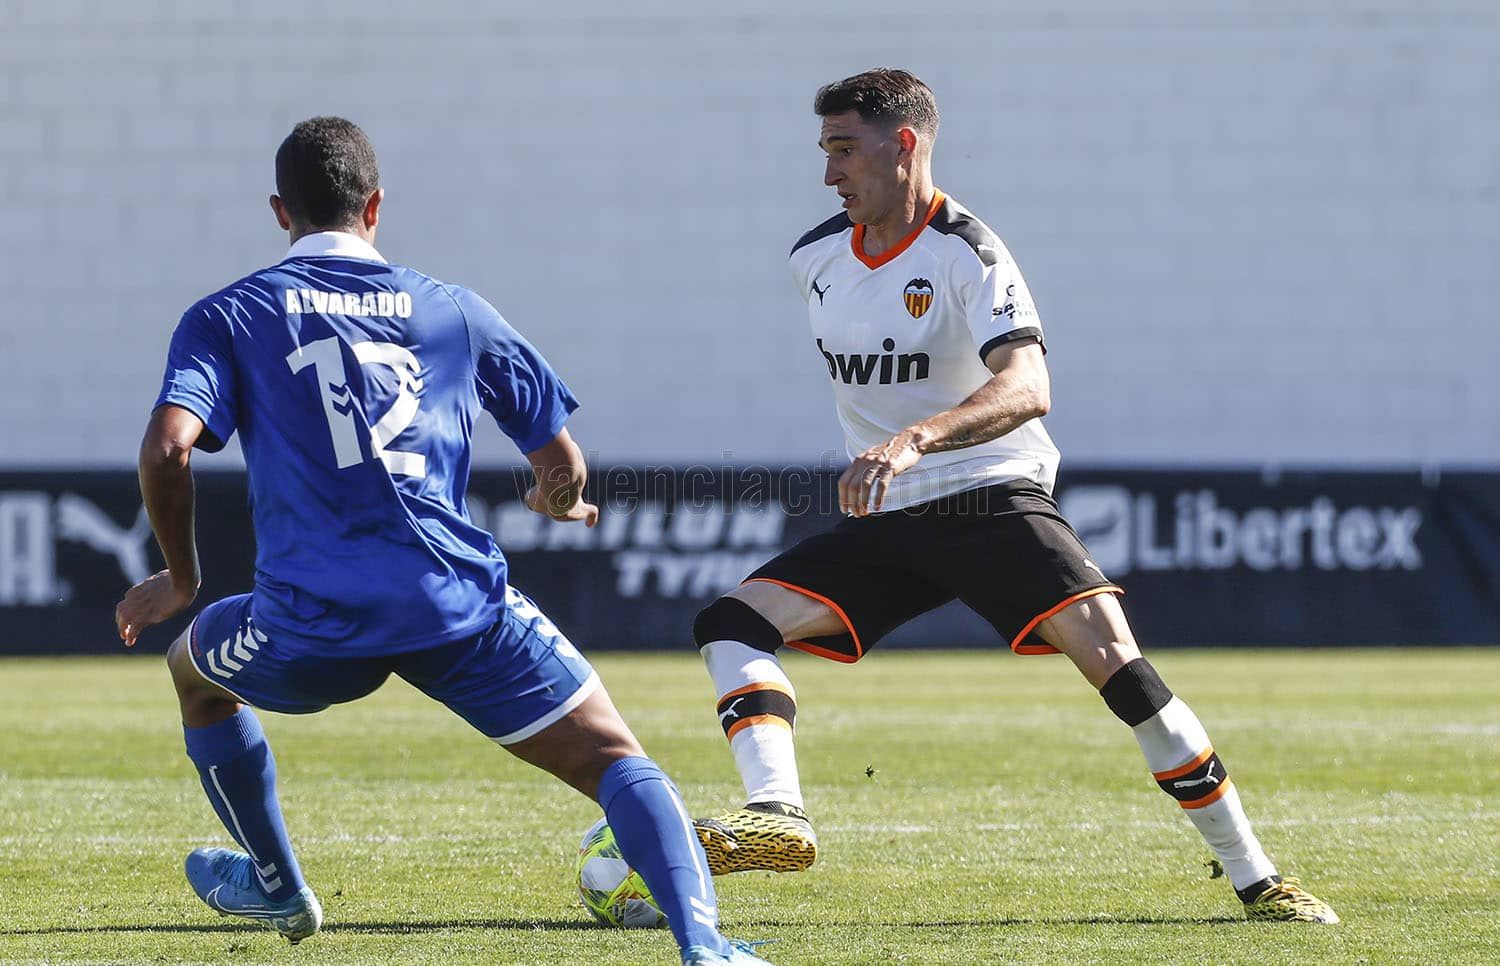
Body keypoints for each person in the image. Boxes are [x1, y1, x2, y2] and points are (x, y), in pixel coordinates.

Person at [115, 116, 771, 965]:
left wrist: (179, 576)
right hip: (455, 608)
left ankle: (278, 881)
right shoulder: (454, 309)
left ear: (280, 211)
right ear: (376, 206)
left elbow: (169, 444)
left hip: (309, 620)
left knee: (192, 675)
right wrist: (557, 499)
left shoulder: (231, 313)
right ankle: (706, 947)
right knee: (617, 760)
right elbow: (561, 461)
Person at [689, 70, 1337, 924]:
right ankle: (777, 817)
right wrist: (894, 454)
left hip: (989, 495)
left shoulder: (967, 251)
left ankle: (1259, 879)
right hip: (890, 516)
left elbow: (1028, 386)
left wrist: (916, 439)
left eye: (844, 151)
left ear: (904, 145)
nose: (829, 173)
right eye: (825, 153)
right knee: (731, 622)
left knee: (1122, 670)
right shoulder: (814, 256)